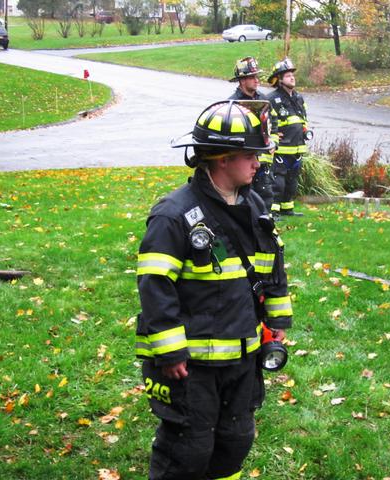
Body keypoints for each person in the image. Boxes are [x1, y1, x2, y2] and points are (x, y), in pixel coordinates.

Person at [136, 100, 293, 480]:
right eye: (251, 155)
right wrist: (171, 352)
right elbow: (155, 286)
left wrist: (278, 317)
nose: (259, 163)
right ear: (222, 158)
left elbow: (271, 265)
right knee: (189, 447)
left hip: (243, 355)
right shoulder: (173, 215)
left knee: (235, 440)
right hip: (191, 367)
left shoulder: (254, 204)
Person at [228, 56, 276, 212]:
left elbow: (273, 124)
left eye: (257, 76)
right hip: (243, 160)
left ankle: (264, 228)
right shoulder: (232, 104)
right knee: (243, 197)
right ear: (242, 81)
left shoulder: (264, 100)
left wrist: (273, 143)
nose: (257, 80)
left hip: (264, 161)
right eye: (252, 77)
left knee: (266, 196)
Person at [266, 58, 310, 217]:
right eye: (288, 75)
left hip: (297, 148)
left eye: (292, 75)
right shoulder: (272, 99)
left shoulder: (298, 98)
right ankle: (274, 212)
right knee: (278, 182)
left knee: (292, 182)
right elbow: (267, 122)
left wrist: (305, 130)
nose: (292, 78)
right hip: (281, 149)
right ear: (279, 80)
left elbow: (303, 119)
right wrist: (273, 135)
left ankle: (287, 209)